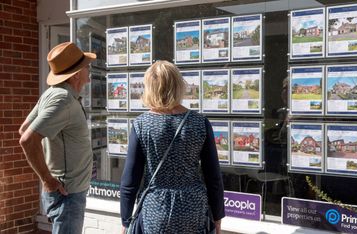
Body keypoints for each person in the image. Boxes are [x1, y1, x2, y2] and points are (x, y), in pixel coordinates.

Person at [120, 61, 225, 233]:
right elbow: (213, 176)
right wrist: (218, 216)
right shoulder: (200, 122)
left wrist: (125, 220)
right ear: (178, 85)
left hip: (155, 209)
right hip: (193, 209)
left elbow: (130, 179)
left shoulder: (141, 125)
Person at [19, 42, 96, 234]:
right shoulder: (62, 99)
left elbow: (24, 128)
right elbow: (27, 138)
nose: (89, 69)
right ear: (76, 73)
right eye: (86, 66)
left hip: (67, 193)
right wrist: (47, 179)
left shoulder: (54, 94)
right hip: (67, 194)